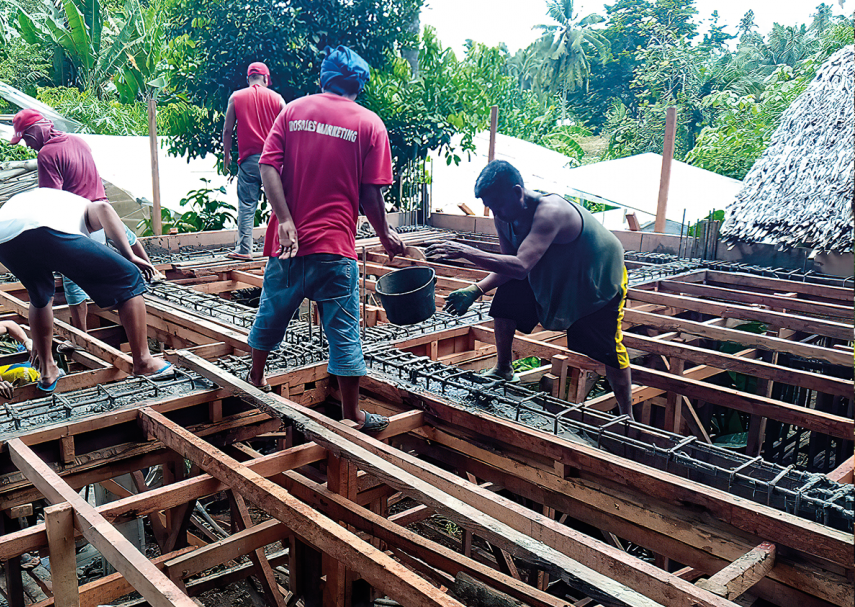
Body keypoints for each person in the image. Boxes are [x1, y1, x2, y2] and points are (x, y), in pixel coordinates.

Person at [248, 46, 406, 433]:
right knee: (344, 333)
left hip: (287, 247)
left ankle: (255, 377)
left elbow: (267, 165)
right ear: (359, 86)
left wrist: (285, 219)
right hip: (335, 250)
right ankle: (351, 415)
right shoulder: (369, 125)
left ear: (323, 79)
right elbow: (371, 195)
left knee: (270, 315)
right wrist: (386, 237)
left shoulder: (293, 110)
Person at [426, 159, 634, 418]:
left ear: (517, 192)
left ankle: (628, 416)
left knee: (609, 350)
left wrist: (464, 251)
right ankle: (504, 368)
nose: (496, 213)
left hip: (595, 280)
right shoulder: (505, 218)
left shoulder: (550, 211)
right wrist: (476, 289)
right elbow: (509, 267)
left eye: (499, 205)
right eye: (490, 207)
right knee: (506, 299)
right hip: (554, 271)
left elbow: (521, 265)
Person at [0, 187, 172, 392]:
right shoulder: (85, 207)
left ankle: (48, 371)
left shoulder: (57, 203)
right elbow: (103, 207)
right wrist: (129, 256)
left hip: (0, 239)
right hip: (41, 227)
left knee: (40, 296)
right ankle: (144, 362)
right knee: (128, 276)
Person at [10, 108, 158, 331]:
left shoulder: (47, 155)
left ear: (37, 130)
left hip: (79, 218)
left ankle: (81, 335)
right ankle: (154, 273)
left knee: (72, 277)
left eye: (27, 138)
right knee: (127, 238)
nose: (28, 145)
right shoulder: (77, 141)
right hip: (102, 209)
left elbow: (52, 199)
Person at [220, 62, 286, 259]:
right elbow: (287, 130)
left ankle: (244, 249)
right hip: (274, 162)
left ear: (248, 78)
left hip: (249, 161)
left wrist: (227, 154)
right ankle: (281, 247)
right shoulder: (278, 99)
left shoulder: (236, 97)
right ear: (266, 79)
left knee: (247, 206)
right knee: (279, 206)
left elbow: (227, 130)